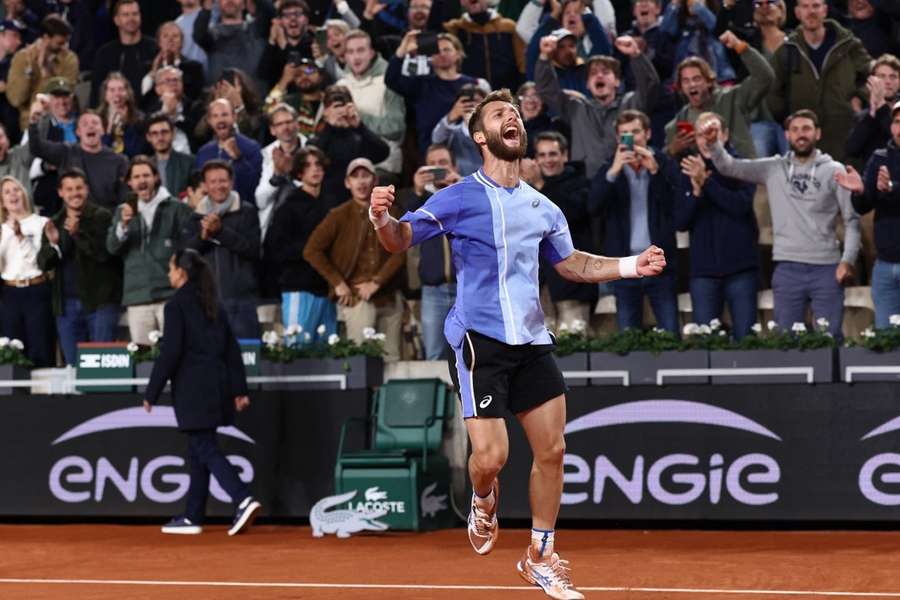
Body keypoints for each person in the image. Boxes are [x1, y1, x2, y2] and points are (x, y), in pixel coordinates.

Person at [369, 88, 666, 600]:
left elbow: (571, 263)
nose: (512, 118)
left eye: (515, 114)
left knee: (552, 450)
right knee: (491, 458)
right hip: (479, 342)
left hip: (531, 341)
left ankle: (540, 556)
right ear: (480, 137)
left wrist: (627, 265)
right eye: (498, 115)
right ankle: (482, 499)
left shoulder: (543, 206)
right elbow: (399, 241)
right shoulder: (458, 197)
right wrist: (380, 219)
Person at [704, 109, 860, 339]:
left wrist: (847, 260)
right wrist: (714, 145)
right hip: (788, 268)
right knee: (787, 343)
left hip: (827, 268)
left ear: (818, 133)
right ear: (786, 135)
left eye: (806, 129)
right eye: (795, 130)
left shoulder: (834, 170)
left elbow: (852, 219)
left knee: (830, 341)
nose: (801, 134)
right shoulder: (772, 168)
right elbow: (730, 167)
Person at [143, 247, 261, 537]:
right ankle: (193, 516)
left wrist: (151, 392)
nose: (169, 274)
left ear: (181, 272)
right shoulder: (211, 303)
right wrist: (239, 389)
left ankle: (242, 497)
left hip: (194, 390)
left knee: (205, 447)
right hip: (217, 387)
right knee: (199, 449)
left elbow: (170, 352)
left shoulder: (176, 306)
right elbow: (232, 349)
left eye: (171, 269)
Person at [304, 157, 405, 361]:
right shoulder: (338, 215)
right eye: (355, 176)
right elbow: (312, 250)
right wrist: (338, 283)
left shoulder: (391, 212)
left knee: (392, 358)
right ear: (347, 183)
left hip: (388, 294)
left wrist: (376, 282)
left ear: (374, 181)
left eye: (365, 175)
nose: (361, 182)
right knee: (361, 359)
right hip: (357, 297)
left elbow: (401, 251)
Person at [590, 109, 680, 333]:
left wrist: (656, 171)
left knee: (670, 334)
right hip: (625, 264)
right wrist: (614, 171)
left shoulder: (664, 163)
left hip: (659, 262)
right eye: (624, 134)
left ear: (647, 134)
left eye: (636, 132)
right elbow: (593, 207)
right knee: (628, 337)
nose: (631, 138)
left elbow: (676, 208)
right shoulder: (610, 167)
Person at [674, 112, 758, 338]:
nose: (706, 140)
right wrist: (697, 192)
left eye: (712, 133)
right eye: (701, 134)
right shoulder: (687, 168)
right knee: (705, 345)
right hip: (704, 272)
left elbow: (739, 206)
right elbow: (680, 222)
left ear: (726, 135)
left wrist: (707, 182)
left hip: (741, 269)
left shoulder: (742, 166)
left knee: (746, 340)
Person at [535, 33, 659, 178]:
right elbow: (546, 90)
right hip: (585, 185)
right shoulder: (576, 107)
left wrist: (636, 55)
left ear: (617, 82)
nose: (599, 76)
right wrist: (544, 57)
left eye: (606, 72)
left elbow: (650, 86)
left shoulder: (631, 103)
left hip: (624, 182)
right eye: (593, 73)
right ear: (587, 84)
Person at [767, 0, 872, 163]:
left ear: (825, 10)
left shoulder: (849, 45)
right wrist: (788, 120)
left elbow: (872, 75)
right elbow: (773, 91)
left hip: (845, 133)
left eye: (816, 6)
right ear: (797, 12)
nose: (811, 11)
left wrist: (859, 98)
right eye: (805, 6)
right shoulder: (787, 51)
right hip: (804, 140)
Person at [36, 168, 122, 365]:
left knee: (102, 369)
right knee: (74, 370)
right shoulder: (54, 223)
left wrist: (77, 234)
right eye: (69, 189)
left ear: (87, 189)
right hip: (66, 307)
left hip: (101, 303)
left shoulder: (102, 216)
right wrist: (55, 244)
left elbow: (104, 254)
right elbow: (43, 263)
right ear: (60, 192)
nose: (75, 193)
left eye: (79, 188)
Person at [107, 156, 192, 346]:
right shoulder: (123, 211)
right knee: (144, 362)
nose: (141, 180)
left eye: (146, 175)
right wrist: (123, 224)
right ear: (129, 182)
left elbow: (190, 248)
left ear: (156, 177)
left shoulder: (176, 208)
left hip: (171, 296)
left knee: (177, 353)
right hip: (137, 297)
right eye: (136, 177)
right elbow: (112, 247)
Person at [521, 131, 596, 332]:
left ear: (565, 155)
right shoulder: (524, 190)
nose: (548, 160)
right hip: (538, 285)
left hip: (572, 284)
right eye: (542, 155)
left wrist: (539, 184)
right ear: (535, 159)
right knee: (541, 349)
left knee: (573, 346)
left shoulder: (580, 183)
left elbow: (569, 213)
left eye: (553, 154)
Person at [836, 101, 900, 328]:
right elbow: (864, 206)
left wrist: (892, 187)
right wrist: (860, 192)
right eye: (897, 122)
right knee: (886, 340)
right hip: (884, 266)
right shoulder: (880, 157)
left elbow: (890, 189)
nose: (899, 128)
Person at [182, 159, 261, 340]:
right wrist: (204, 236)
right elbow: (185, 257)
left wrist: (220, 232)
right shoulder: (196, 217)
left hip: (241, 300)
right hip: (206, 300)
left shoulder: (247, 211)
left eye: (223, 180)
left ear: (231, 182)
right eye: (213, 181)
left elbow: (252, 250)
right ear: (206, 185)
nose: (219, 186)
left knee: (246, 358)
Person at [664, 32, 774, 160]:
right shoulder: (677, 125)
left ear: (709, 81)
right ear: (681, 88)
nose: (692, 84)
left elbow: (765, 77)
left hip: (742, 173)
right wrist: (672, 150)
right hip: (705, 178)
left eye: (697, 78)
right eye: (686, 81)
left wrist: (740, 46)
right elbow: (665, 166)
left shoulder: (732, 99)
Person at [265, 146, 336, 343]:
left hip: (328, 289)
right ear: (299, 172)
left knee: (329, 356)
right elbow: (274, 248)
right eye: (308, 165)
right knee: (297, 348)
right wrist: (310, 250)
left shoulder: (331, 204)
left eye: (318, 164)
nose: (315, 169)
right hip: (299, 288)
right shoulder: (288, 207)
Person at [400, 143, 462, 360]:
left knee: (469, 353)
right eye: (431, 165)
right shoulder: (421, 201)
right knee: (434, 353)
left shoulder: (467, 192)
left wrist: (458, 188)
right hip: (433, 291)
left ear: (454, 166)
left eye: (442, 164)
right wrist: (417, 191)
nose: (437, 169)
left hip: (465, 289)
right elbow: (407, 226)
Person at [28, 103, 129, 212]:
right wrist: (34, 121)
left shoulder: (119, 160)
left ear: (103, 130)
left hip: (107, 221)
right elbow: (36, 147)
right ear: (78, 132)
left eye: (95, 123)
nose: (90, 126)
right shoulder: (66, 152)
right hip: (73, 221)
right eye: (85, 124)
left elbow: (124, 197)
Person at [0, 175, 55, 367]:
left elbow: (42, 262)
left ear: (23, 194)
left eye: (16, 190)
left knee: (40, 346)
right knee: (12, 348)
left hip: (37, 290)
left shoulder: (42, 222)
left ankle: (41, 396)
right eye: (7, 192)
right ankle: (14, 396)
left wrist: (21, 238)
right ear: (2, 201)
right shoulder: (1, 230)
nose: (13, 194)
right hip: (9, 294)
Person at [6, 14, 76, 133]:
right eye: (60, 43)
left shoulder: (69, 59)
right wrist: (29, 72)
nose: (64, 47)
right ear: (46, 38)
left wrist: (46, 71)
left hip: (61, 123)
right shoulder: (22, 58)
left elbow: (67, 98)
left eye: (66, 43)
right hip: (29, 123)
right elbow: (15, 99)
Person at [194, 98, 263, 207]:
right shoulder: (203, 152)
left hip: (242, 214)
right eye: (215, 116)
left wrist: (239, 159)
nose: (220, 120)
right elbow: (200, 187)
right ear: (209, 121)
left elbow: (257, 187)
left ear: (234, 117)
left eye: (224, 115)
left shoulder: (251, 147)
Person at [443, 0, 524, 91]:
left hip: (508, 92)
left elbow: (522, 61)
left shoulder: (509, 26)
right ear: (461, 2)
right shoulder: (455, 28)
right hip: (472, 93)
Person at [90, 0, 158, 107]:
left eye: (135, 14)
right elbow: (96, 93)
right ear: (116, 20)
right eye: (126, 15)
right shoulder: (105, 53)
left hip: (149, 113)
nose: (131, 19)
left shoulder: (155, 49)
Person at [193, 0, 274, 86]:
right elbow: (199, 34)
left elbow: (269, 12)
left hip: (254, 95)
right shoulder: (212, 35)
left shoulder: (257, 30)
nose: (230, 0)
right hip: (221, 94)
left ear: (244, 5)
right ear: (218, 5)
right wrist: (206, 9)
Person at [145, 112, 195, 198]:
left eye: (164, 132)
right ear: (148, 137)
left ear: (173, 134)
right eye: (155, 133)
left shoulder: (189, 163)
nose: (160, 138)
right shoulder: (144, 166)